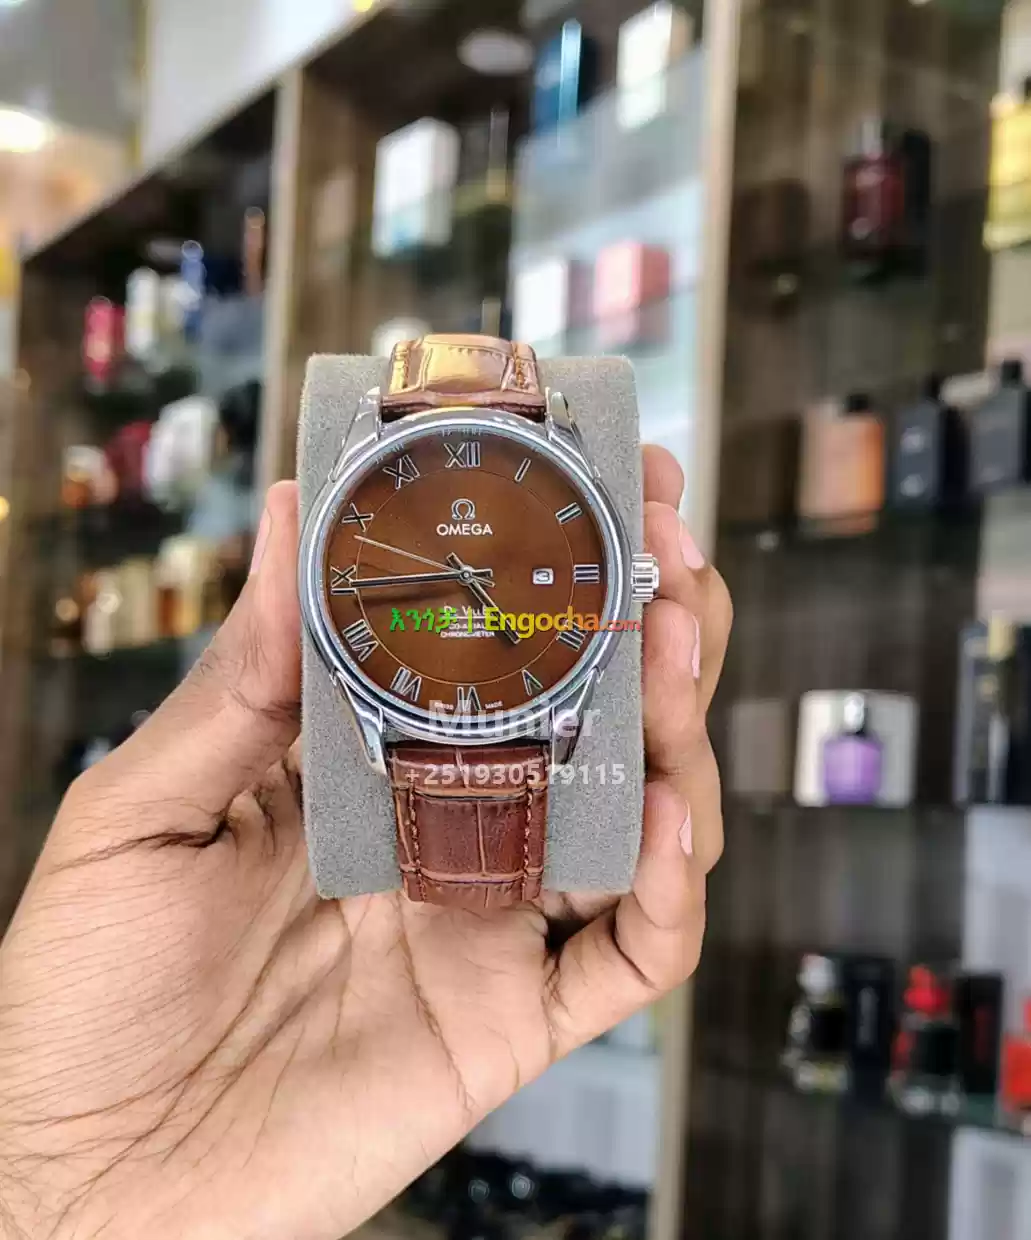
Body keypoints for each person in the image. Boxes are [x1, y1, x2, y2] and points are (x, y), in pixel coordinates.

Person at [0, 446, 731, 1240]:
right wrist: (69, 1181)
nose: (466, 578)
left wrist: (67, 1190)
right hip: (419, 717)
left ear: (629, 578)